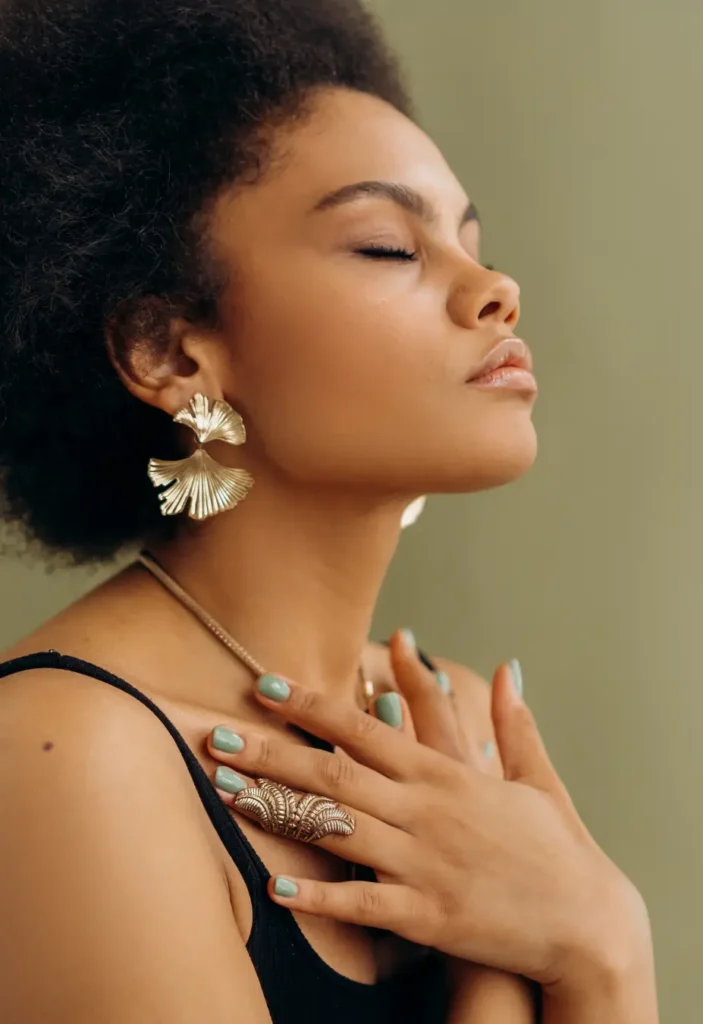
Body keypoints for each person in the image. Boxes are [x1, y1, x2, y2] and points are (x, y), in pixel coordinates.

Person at [0, 1, 658, 1021]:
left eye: (471, 241)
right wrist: (542, 954)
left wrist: (605, 945)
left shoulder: (453, 720)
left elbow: (595, 955)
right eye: (389, 248)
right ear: (168, 352)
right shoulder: (64, 755)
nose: (495, 288)